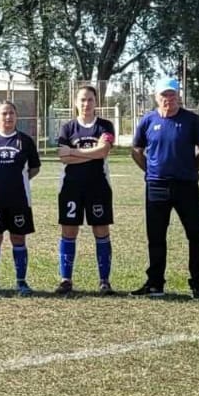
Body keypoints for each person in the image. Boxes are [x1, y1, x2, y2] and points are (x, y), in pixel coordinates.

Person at [130, 78, 199, 300]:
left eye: (172, 94)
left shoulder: (191, 120)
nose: (168, 99)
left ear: (179, 96)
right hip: (156, 187)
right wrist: (150, 171)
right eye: (164, 95)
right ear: (156, 97)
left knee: (195, 235)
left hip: (186, 186)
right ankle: (155, 283)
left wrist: (191, 169)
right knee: (156, 236)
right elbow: (137, 150)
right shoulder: (148, 120)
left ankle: (197, 285)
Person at [0, 101, 41, 297]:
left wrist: (18, 180)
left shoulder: (25, 141)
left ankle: (21, 282)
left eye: (11, 113)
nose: (8, 117)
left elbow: (35, 168)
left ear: (16, 116)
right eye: (4, 114)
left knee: (18, 238)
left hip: (19, 200)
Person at [55, 85, 116, 295]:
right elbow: (63, 157)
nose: (86, 104)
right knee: (69, 231)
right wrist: (91, 152)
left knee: (101, 230)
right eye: (82, 100)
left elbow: (103, 152)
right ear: (75, 103)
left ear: (96, 102)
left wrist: (74, 151)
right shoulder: (67, 128)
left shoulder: (105, 126)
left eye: (90, 99)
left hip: (98, 186)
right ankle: (66, 280)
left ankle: (104, 281)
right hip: (71, 188)